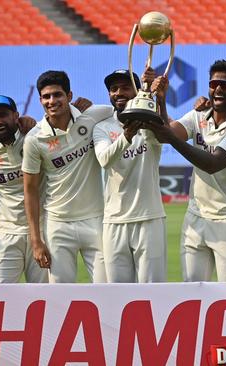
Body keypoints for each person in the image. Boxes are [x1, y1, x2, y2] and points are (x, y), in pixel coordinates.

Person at [144, 60, 226, 282]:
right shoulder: (198, 116)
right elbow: (164, 133)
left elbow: (213, 164)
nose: (218, 89)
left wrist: (171, 139)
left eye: (225, 85)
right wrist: (160, 99)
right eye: (214, 84)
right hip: (196, 216)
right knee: (191, 292)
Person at [22, 70, 111, 283]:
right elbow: (30, 190)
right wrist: (36, 240)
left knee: (107, 290)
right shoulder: (35, 139)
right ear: (40, 100)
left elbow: (126, 109)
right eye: (46, 97)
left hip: (95, 219)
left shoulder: (94, 115)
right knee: (60, 296)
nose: (52, 101)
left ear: (69, 96)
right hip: (57, 224)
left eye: (57, 95)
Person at [93, 69, 167, 283]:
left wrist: (156, 97)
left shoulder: (152, 123)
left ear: (136, 91)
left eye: (126, 87)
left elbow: (166, 135)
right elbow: (105, 160)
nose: (119, 93)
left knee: (152, 291)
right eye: (113, 89)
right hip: (114, 221)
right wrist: (127, 134)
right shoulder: (102, 128)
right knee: (117, 294)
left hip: (149, 218)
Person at [0, 95, 48, 284]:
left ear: (16, 115)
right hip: (6, 232)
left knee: (45, 297)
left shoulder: (36, 137)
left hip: (43, 230)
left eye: (3, 115)